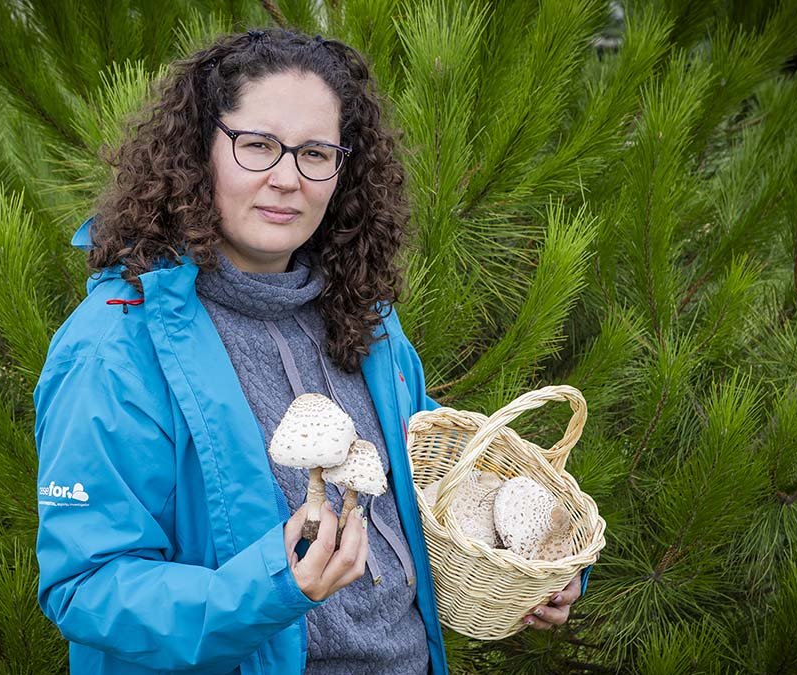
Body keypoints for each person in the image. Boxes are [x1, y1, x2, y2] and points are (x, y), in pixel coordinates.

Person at [33, 28, 584, 675]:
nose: (287, 178)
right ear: (198, 148)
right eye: (258, 145)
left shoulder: (365, 312)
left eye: (315, 153)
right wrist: (273, 586)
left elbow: (432, 474)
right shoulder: (117, 344)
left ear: (344, 168)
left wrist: (546, 563)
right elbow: (88, 587)